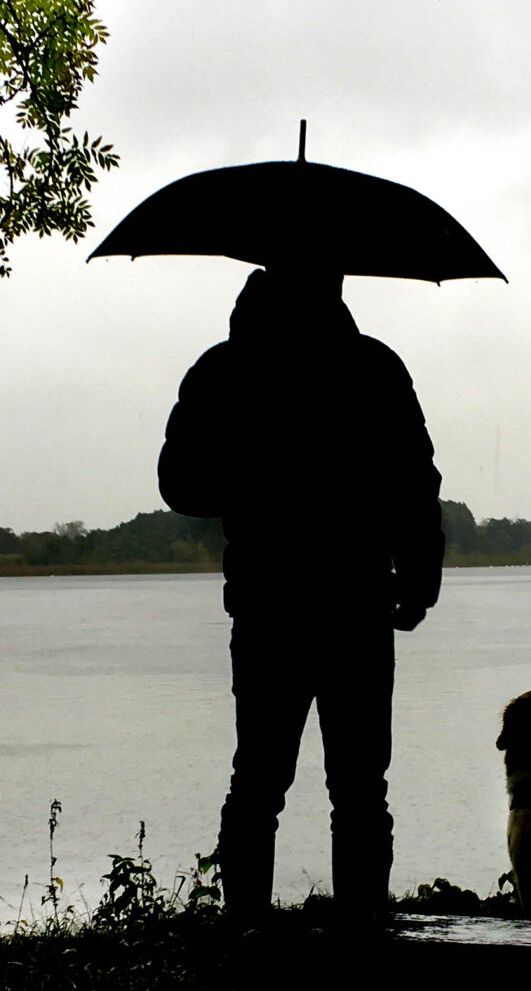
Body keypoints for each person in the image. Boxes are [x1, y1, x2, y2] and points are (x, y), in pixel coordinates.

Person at [159, 265, 443, 924]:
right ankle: (361, 938)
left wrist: (246, 476)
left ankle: (248, 933)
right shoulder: (374, 367)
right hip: (351, 608)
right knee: (356, 791)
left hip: (268, 610)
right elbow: (415, 481)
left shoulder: (223, 370)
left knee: (258, 785)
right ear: (336, 282)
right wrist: (419, 574)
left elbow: (178, 482)